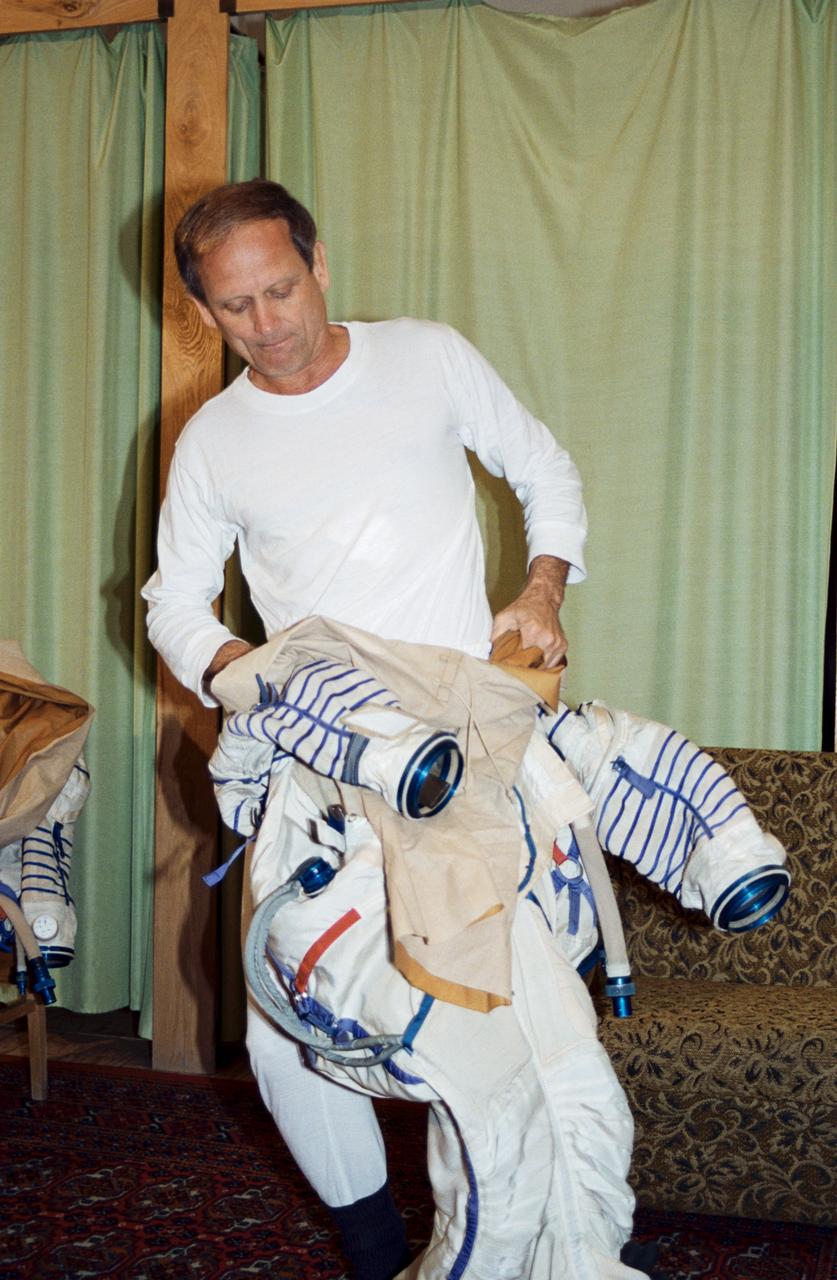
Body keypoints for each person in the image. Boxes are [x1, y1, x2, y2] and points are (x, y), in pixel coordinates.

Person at [143, 180, 656, 1280]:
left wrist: (544, 588)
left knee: (507, 1018)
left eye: (282, 288)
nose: (267, 323)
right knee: (285, 1035)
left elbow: (545, 469)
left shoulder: (426, 358)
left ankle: (560, 1240)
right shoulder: (214, 439)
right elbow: (171, 603)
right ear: (204, 310)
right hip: (320, 767)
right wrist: (245, 669)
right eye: (235, 306)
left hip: (465, 756)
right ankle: (376, 1250)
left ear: (320, 263)